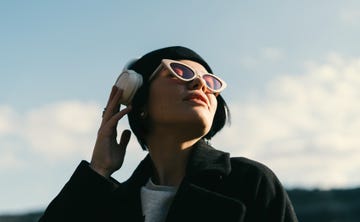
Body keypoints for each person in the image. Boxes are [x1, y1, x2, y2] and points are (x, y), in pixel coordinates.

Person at [39, 46, 298, 222]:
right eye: (180, 72)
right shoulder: (110, 204)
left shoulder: (249, 182)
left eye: (210, 82)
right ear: (138, 99)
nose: (199, 84)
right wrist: (97, 172)